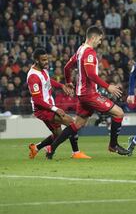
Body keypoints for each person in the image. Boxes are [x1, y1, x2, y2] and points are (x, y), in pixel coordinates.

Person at [46, 26, 129, 159]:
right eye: (100, 39)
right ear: (93, 38)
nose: (100, 42)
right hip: (89, 94)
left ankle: (51, 148)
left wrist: (68, 82)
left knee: (77, 124)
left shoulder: (80, 50)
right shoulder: (89, 52)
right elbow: (91, 74)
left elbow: (67, 67)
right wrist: (108, 87)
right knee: (119, 112)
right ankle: (113, 145)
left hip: (82, 94)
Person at [27, 48, 90, 159]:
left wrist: (62, 86)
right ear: (36, 60)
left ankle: (36, 148)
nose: (46, 62)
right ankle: (76, 152)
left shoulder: (43, 70)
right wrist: (55, 109)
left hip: (49, 106)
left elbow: (47, 80)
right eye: (43, 60)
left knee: (59, 134)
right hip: (43, 109)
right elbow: (37, 100)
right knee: (72, 124)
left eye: (47, 59)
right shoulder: (33, 76)